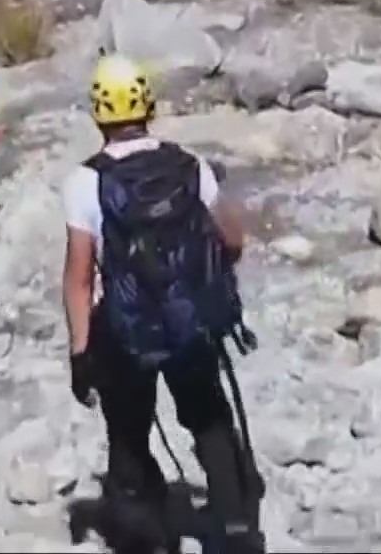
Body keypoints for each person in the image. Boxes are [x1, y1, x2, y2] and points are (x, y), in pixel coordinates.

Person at [62, 56, 263, 554]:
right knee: (208, 417)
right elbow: (233, 240)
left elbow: (79, 278)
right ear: (148, 105)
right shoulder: (189, 165)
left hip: (125, 329)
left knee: (129, 431)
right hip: (190, 317)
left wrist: (81, 352)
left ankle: (144, 537)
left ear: (97, 114)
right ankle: (237, 529)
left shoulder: (84, 182)